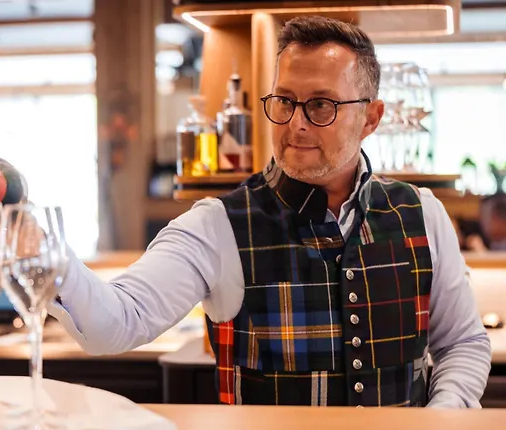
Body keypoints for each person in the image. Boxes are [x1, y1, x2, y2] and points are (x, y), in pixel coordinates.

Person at [48, 16, 491, 408]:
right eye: (284, 101)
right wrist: (46, 251)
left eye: (321, 105)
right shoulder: (216, 225)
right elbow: (116, 322)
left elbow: (462, 343)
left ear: (371, 119)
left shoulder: (422, 213)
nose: (296, 123)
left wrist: (442, 417)